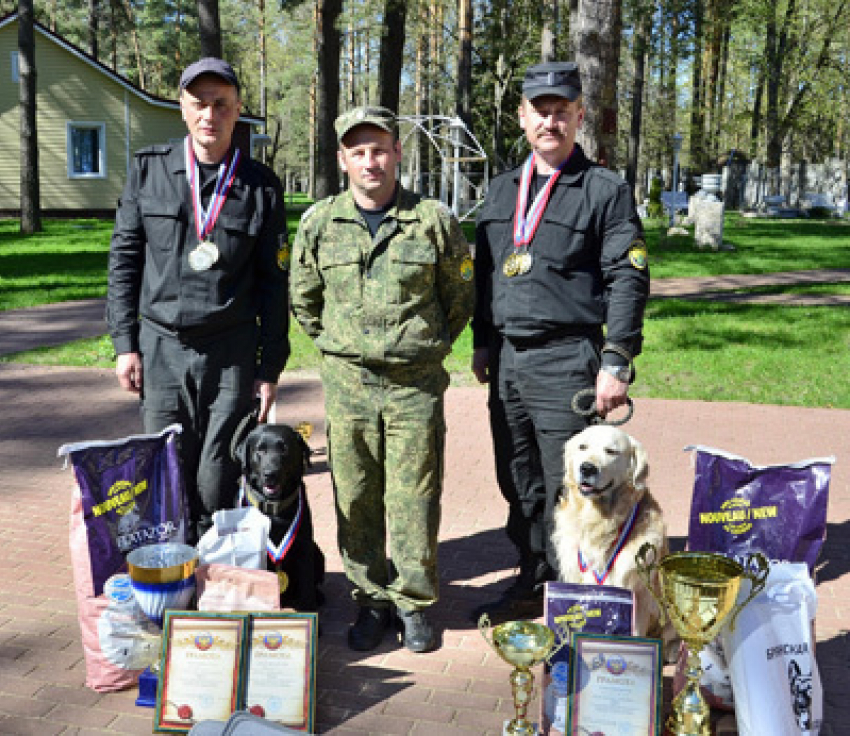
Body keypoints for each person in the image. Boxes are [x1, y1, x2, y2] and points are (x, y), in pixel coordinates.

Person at [290, 106, 474, 653]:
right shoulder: (319, 222)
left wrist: (422, 347)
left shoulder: (434, 220)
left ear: (397, 153)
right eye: (358, 151)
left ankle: (415, 604)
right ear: (343, 159)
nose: (370, 160)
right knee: (356, 495)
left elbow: (459, 299)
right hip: (347, 385)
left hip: (414, 385)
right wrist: (344, 345)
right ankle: (370, 601)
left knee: (415, 497)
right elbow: (304, 300)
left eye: (380, 149)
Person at [470, 61, 649, 622]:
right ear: (522, 116)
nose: (550, 120)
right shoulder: (501, 191)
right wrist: (481, 342)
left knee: (569, 482)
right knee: (517, 478)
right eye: (540, 110)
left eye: (561, 111)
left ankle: (578, 595)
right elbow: (485, 274)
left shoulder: (603, 190)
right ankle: (534, 577)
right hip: (506, 361)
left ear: (579, 115)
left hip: (567, 361)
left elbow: (629, 275)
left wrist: (616, 360)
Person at [107, 58, 290, 546]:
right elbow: (123, 262)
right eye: (199, 103)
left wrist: (268, 368)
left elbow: (275, 284)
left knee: (218, 475)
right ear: (183, 108)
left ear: (237, 111)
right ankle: (171, 580)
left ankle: (214, 585)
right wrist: (126, 344)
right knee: (166, 470)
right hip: (162, 347)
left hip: (230, 353)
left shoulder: (261, 187)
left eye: (221, 105)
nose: (209, 114)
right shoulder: (149, 171)